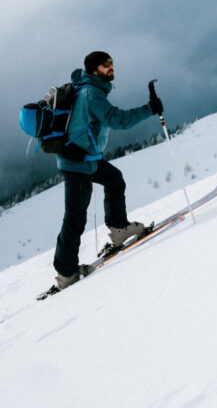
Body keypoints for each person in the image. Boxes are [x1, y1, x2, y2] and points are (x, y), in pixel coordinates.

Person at [53, 51, 163, 290]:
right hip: (78, 164)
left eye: (112, 63)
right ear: (94, 70)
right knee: (75, 218)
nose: (111, 67)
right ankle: (66, 273)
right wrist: (150, 109)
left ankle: (119, 229)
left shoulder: (87, 87)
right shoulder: (92, 93)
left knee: (114, 180)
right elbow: (117, 120)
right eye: (106, 65)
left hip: (87, 159)